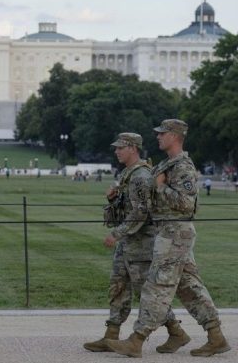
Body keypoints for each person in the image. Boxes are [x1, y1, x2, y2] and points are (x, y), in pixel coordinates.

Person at [108, 119, 229, 358]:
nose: (158, 137)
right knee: (189, 287)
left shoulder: (182, 166)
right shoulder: (166, 164)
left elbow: (187, 204)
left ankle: (136, 340)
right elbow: (148, 200)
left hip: (175, 233)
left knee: (156, 286)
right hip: (167, 233)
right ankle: (216, 336)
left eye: (162, 134)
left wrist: (161, 187)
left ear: (174, 136)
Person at [85, 133, 187, 354]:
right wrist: (113, 199)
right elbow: (127, 208)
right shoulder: (127, 173)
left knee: (147, 293)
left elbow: (142, 212)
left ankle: (176, 332)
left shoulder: (141, 175)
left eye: (120, 148)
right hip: (128, 243)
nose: (116, 151)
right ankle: (111, 334)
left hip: (141, 245)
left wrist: (117, 233)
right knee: (118, 287)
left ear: (132, 148)